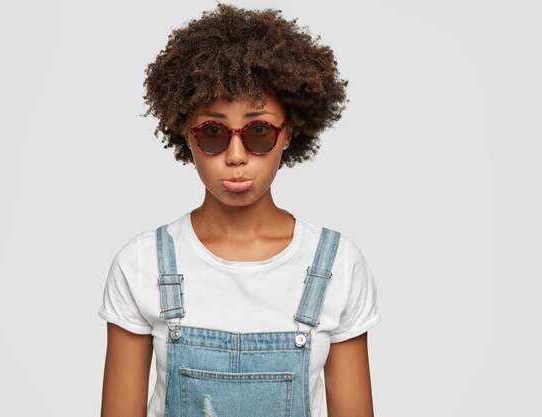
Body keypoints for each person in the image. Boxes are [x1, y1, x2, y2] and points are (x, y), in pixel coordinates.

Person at [98, 4, 381, 417]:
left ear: (290, 133)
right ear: (186, 134)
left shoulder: (338, 264)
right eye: (213, 132)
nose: (235, 156)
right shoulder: (140, 264)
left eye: (258, 131)